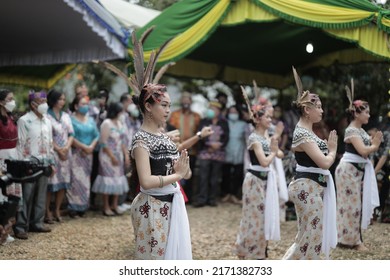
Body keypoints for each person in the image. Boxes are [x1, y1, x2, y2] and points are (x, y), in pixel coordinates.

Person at [128, 30, 192, 260]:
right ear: (147, 106)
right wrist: (178, 176)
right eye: (163, 105)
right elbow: (145, 181)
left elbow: (184, 171)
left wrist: (184, 169)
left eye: (169, 105)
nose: (167, 110)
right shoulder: (140, 139)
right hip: (150, 209)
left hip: (171, 206)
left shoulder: (165, 138)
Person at [283, 67, 338, 260]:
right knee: (311, 235)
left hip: (312, 187)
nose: (322, 110)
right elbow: (324, 163)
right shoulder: (302, 133)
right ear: (307, 110)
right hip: (306, 187)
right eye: (319, 107)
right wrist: (332, 150)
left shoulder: (309, 132)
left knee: (309, 235)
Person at [335, 80, 382, 251]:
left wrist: (375, 141)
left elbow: (366, 146)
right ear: (357, 114)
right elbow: (363, 150)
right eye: (367, 112)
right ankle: (351, 241)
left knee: (354, 206)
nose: (369, 115)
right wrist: (375, 145)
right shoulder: (351, 131)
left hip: (355, 172)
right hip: (348, 172)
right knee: (349, 206)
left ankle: (351, 239)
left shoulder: (360, 131)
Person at [233, 103, 284, 260]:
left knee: (262, 215)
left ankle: (246, 249)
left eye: (271, 116)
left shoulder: (266, 136)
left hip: (266, 180)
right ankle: (255, 253)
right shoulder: (254, 138)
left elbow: (280, 154)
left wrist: (275, 141)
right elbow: (264, 161)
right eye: (267, 117)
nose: (270, 119)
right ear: (257, 119)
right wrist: (274, 151)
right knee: (254, 216)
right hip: (255, 180)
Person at [14, 90, 56, 240]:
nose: (44, 104)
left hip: (44, 163)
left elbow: (50, 144)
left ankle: (37, 223)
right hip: (28, 163)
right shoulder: (24, 121)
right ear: (33, 104)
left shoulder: (48, 121)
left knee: (40, 195)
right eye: (41, 101)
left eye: (45, 101)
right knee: (26, 195)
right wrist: (22, 165)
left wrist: (52, 162)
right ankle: (20, 226)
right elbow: (20, 144)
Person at [92, 102, 130, 216]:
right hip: (107, 156)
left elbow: (123, 141)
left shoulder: (120, 123)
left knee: (118, 179)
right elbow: (102, 143)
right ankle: (106, 206)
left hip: (119, 155)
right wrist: (112, 156)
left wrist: (126, 155)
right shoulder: (106, 123)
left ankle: (115, 204)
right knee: (107, 180)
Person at [67, 95, 99, 218]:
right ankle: (73, 208)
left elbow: (97, 135)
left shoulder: (90, 119)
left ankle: (83, 206)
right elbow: (70, 136)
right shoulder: (70, 119)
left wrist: (91, 146)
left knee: (86, 180)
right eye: (83, 104)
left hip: (88, 154)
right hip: (76, 154)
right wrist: (83, 147)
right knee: (75, 180)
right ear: (76, 106)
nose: (86, 106)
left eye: (87, 104)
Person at [193, 101, 229, 207]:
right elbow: (199, 135)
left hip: (218, 154)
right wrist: (208, 146)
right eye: (210, 108)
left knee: (215, 177)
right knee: (203, 177)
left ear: (219, 111)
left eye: (213, 109)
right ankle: (202, 199)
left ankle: (212, 199)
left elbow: (226, 137)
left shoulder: (224, 122)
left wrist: (219, 145)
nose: (211, 111)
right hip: (205, 152)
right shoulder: (204, 121)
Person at [45, 89, 74, 223]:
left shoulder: (66, 115)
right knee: (51, 184)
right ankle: (47, 212)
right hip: (53, 153)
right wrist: (59, 150)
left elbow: (71, 134)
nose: (63, 101)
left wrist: (67, 148)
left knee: (63, 184)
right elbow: (46, 136)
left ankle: (57, 209)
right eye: (60, 99)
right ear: (53, 100)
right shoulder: (46, 116)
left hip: (66, 154)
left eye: (63, 99)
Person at [168, 91, 201, 203]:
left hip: (192, 150)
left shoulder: (196, 116)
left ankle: (189, 198)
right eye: (184, 100)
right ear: (181, 101)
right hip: (177, 149)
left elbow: (198, 132)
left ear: (191, 102)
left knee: (189, 174)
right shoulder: (175, 115)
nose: (186, 102)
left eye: (188, 100)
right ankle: (178, 197)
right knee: (177, 174)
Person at [0, 89, 21, 243]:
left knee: (12, 195)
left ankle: (7, 229)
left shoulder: (11, 117)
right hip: (2, 157)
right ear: (1, 102)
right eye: (9, 99)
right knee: (2, 195)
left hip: (13, 156)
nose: (13, 102)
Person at [220, 105, 247, 205]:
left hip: (239, 150)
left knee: (237, 174)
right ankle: (226, 194)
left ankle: (234, 194)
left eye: (235, 112)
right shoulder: (225, 122)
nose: (233, 114)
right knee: (225, 174)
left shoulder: (243, 124)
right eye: (231, 112)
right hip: (226, 150)